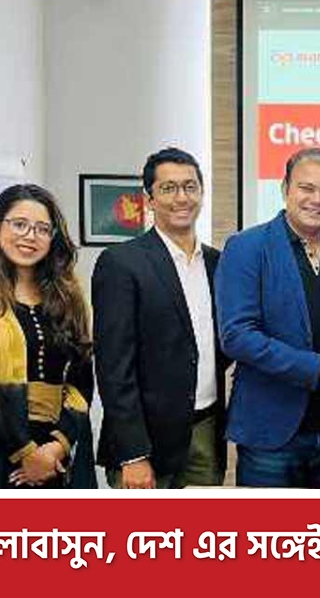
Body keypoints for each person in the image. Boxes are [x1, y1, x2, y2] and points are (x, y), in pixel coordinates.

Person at [216, 147, 320, 488]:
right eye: (307, 188)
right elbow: (237, 335)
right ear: (285, 189)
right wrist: (315, 367)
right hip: (271, 436)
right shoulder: (246, 247)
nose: (317, 200)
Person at [93, 147, 230, 488]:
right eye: (168, 188)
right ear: (149, 199)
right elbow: (113, 368)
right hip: (146, 440)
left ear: (201, 193)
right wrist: (133, 454)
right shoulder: (121, 263)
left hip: (206, 431)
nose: (181, 197)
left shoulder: (219, 263)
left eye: (190, 187)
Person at [0, 184, 95, 488]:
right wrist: (25, 452)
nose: (30, 236)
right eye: (19, 224)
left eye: (42, 229)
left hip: (60, 452)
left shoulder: (67, 295)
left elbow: (82, 380)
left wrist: (56, 447)